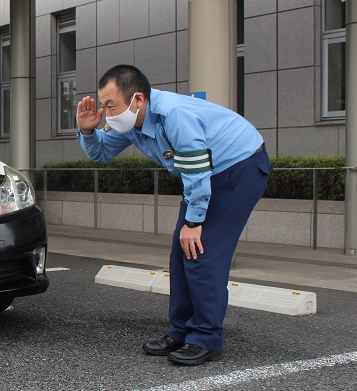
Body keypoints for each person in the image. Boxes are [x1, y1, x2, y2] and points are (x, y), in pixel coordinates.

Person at [76, 65, 272, 366]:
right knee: (181, 255)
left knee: (202, 253)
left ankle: (206, 338)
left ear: (137, 99)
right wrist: (87, 129)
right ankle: (181, 331)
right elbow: (100, 153)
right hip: (207, 175)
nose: (107, 113)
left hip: (239, 168)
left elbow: (196, 169)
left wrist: (193, 223)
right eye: (103, 106)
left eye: (110, 105)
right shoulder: (132, 124)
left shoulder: (173, 115)